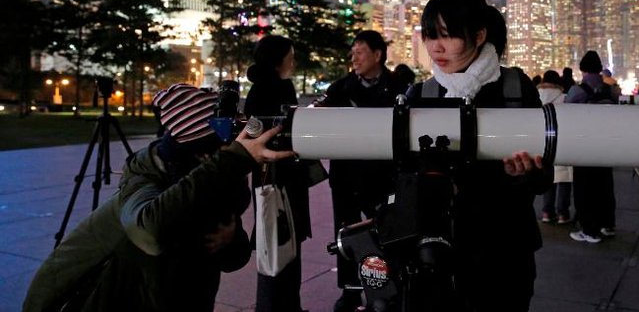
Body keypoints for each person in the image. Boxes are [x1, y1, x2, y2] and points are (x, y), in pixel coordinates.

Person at [23, 83, 295, 312]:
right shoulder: (147, 176)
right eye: (219, 148)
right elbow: (150, 233)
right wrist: (232, 160)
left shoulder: (215, 178)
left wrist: (231, 238)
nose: (225, 152)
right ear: (198, 152)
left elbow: (233, 260)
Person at [406, 0, 552, 312]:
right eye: (429, 36)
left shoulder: (515, 87)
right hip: (439, 250)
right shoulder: (421, 95)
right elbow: (402, 177)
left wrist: (523, 175)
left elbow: (544, 177)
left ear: (479, 35)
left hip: (506, 251)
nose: (435, 47)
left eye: (448, 35)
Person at [313, 30, 408, 312]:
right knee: (345, 237)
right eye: (352, 52)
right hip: (345, 178)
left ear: (378, 55)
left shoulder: (400, 88)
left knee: (382, 237)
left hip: (382, 178)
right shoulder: (340, 89)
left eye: (360, 52)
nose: (354, 58)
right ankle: (351, 291)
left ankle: (382, 291)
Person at [244, 35, 312, 312]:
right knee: (285, 247)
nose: (293, 62)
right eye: (290, 56)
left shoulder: (256, 90)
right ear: (278, 60)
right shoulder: (281, 88)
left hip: (264, 177)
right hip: (283, 178)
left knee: (272, 246)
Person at [565, 50, 620, 244]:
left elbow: (566, 116)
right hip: (606, 146)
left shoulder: (577, 91)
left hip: (584, 146)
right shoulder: (612, 91)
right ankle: (607, 225)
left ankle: (589, 230)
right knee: (605, 186)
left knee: (584, 189)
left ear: (582, 69)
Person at [537, 70, 572, 224]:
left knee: (547, 176)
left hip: (542, 140)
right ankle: (563, 214)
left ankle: (546, 212)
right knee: (563, 177)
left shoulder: (536, 95)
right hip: (562, 140)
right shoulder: (564, 97)